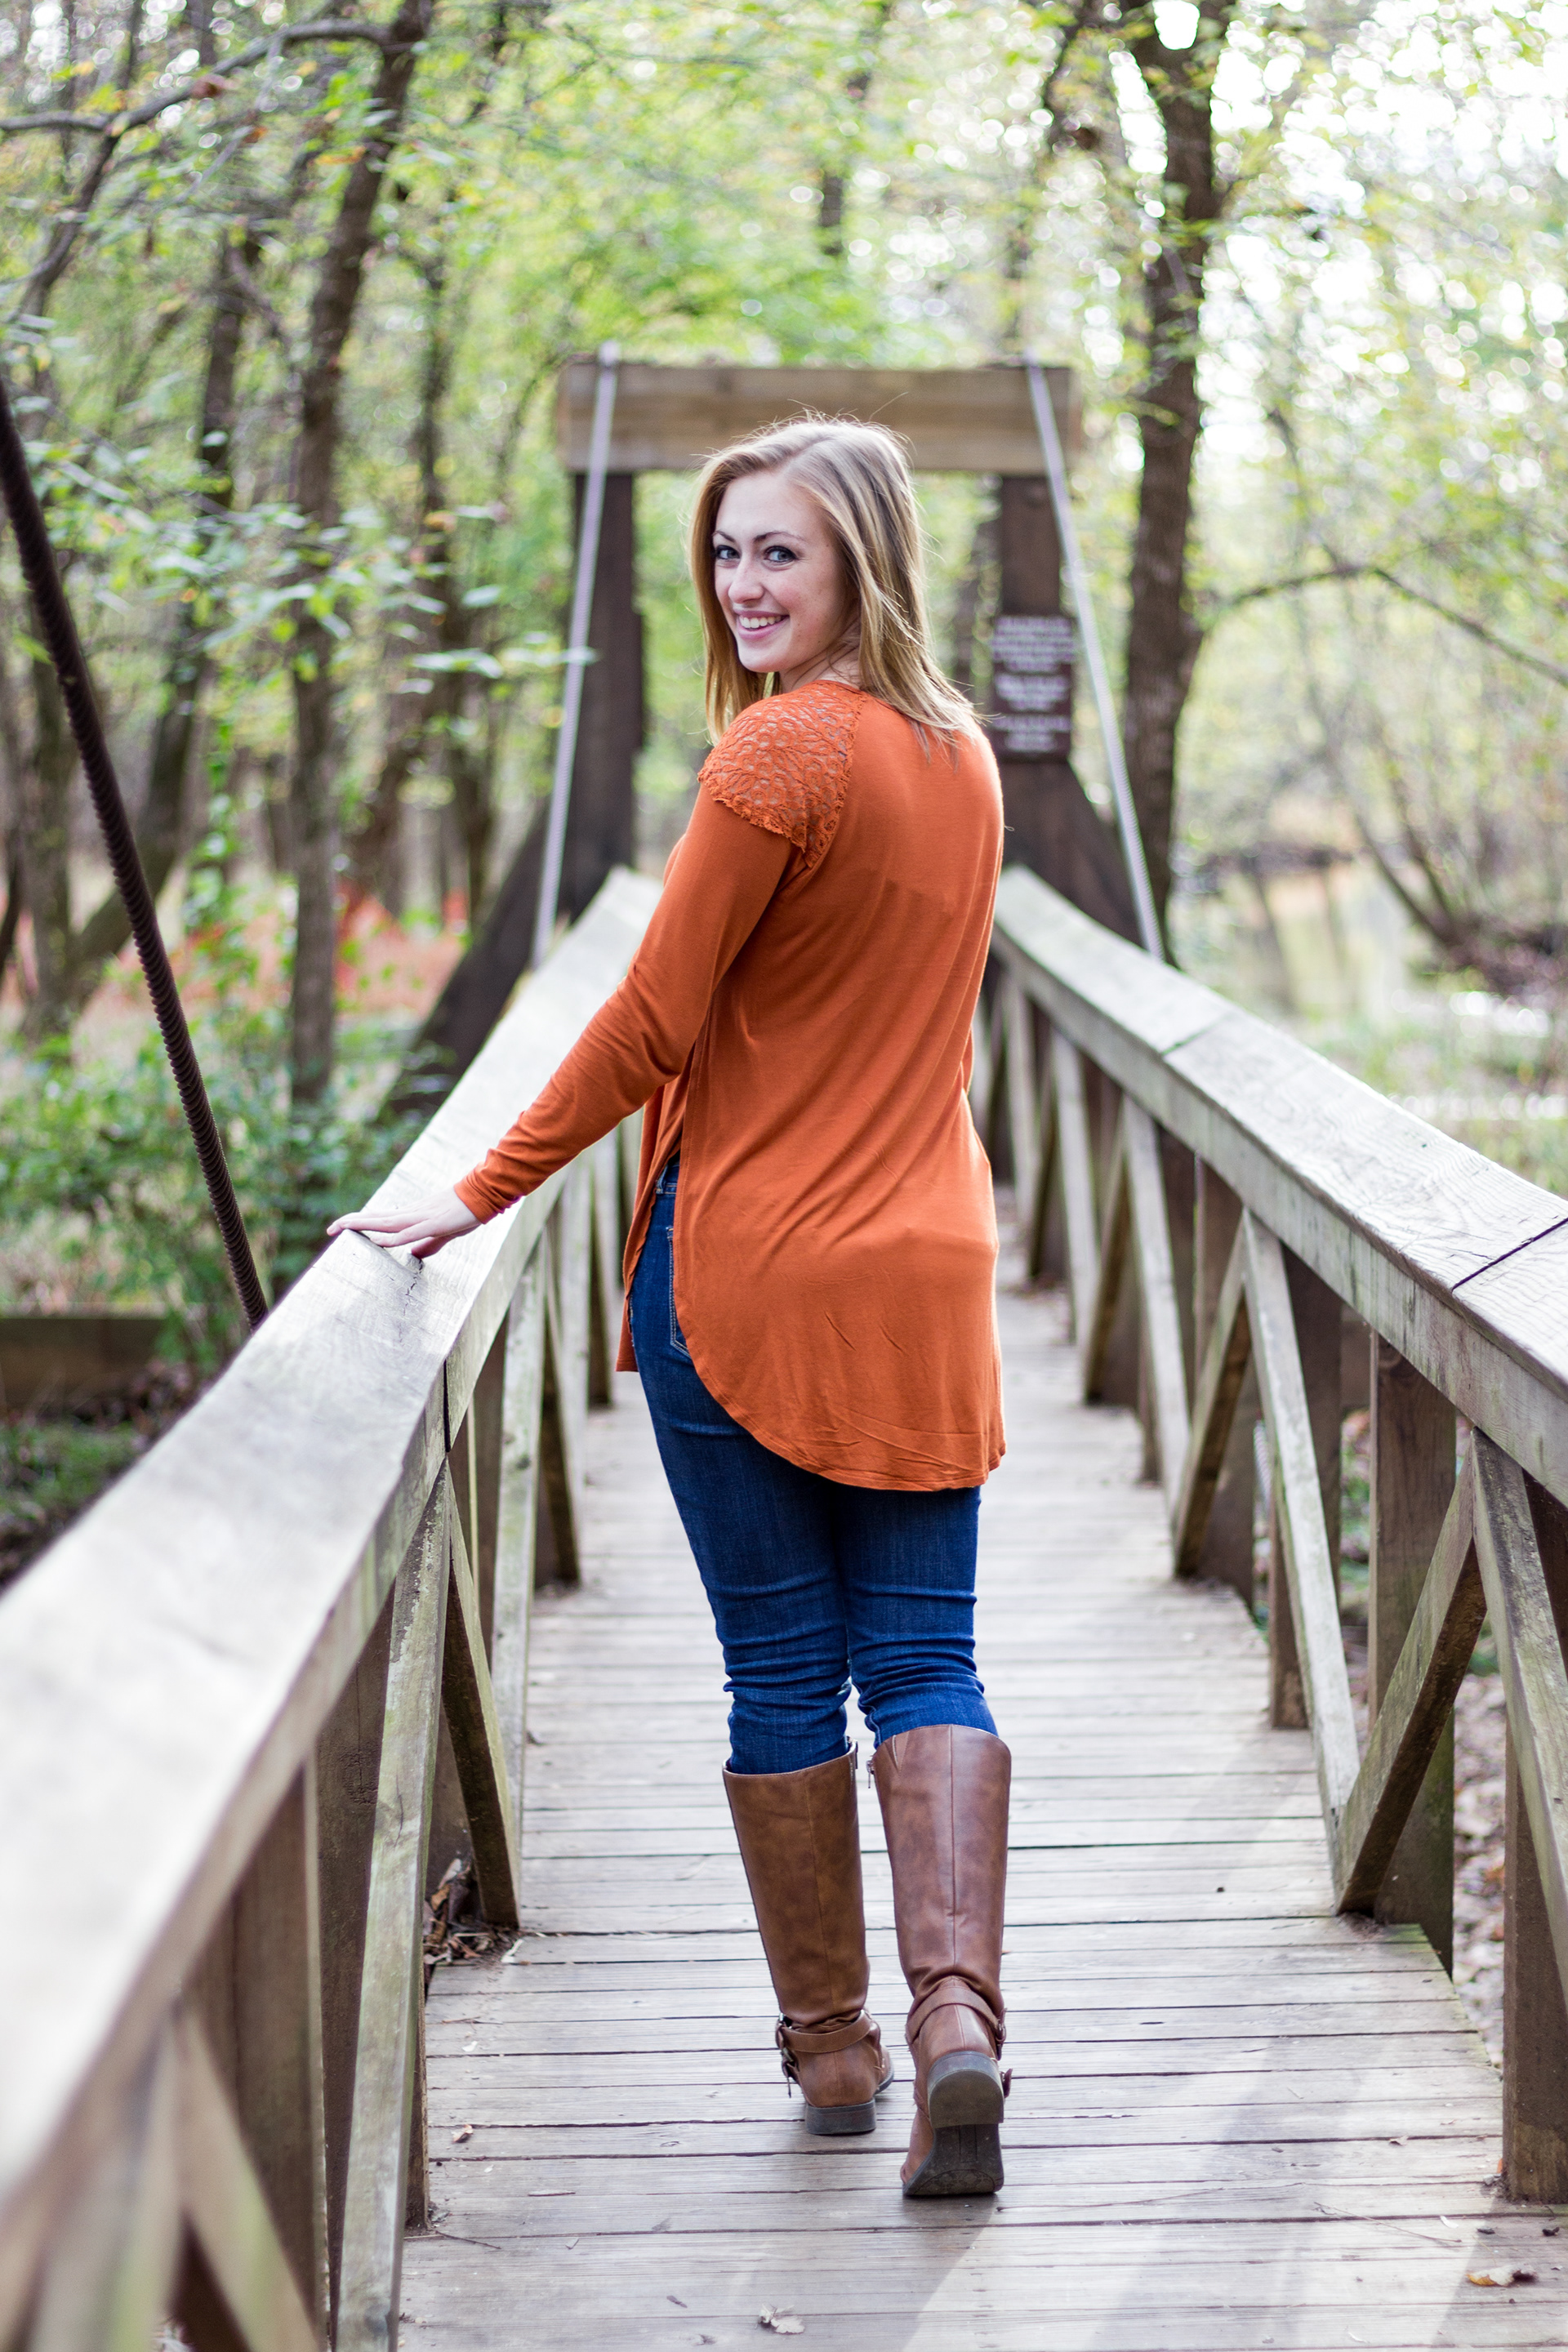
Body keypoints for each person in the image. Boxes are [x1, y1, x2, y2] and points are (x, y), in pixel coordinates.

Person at [329, 417, 1012, 2198]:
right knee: (928, 1660)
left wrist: (474, 1190)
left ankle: (837, 2049)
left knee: (783, 1669)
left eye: (782, 551)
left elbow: (648, 1021)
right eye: (725, 552)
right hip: (928, 1273)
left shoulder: (777, 754)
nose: (743, 585)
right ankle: (960, 2018)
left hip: (753, 1269)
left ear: (864, 557)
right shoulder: (962, 755)